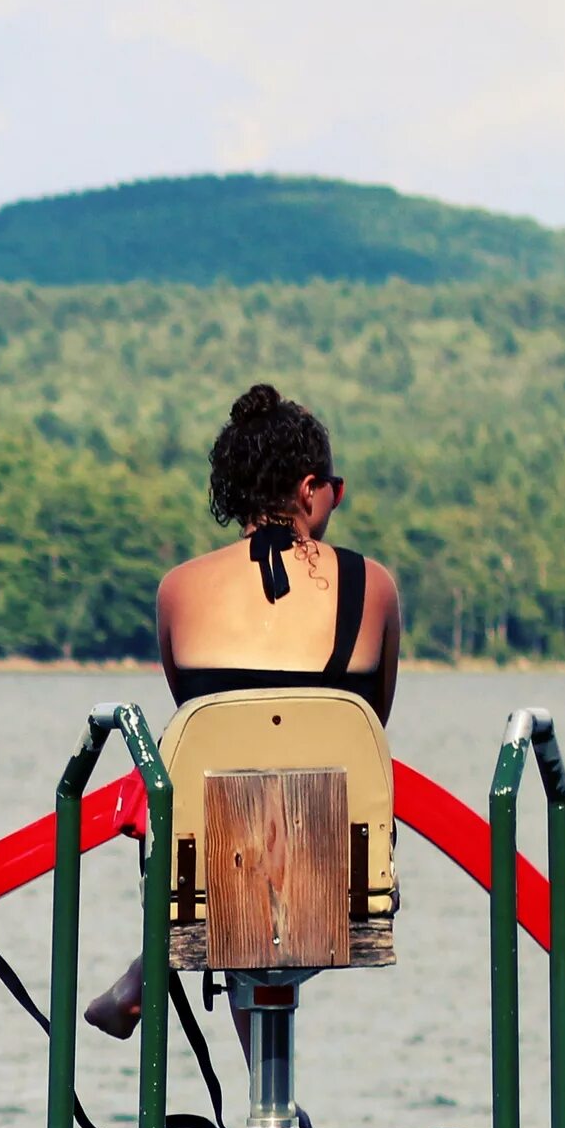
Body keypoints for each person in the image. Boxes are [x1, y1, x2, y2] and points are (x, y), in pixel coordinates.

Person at [83, 383, 403, 1039]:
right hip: (341, 872)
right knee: (264, 833)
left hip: (212, 873)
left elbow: (200, 729)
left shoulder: (179, 587)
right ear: (313, 489)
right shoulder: (372, 585)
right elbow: (374, 721)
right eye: (335, 491)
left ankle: (148, 977)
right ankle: (272, 1101)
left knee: (231, 833)